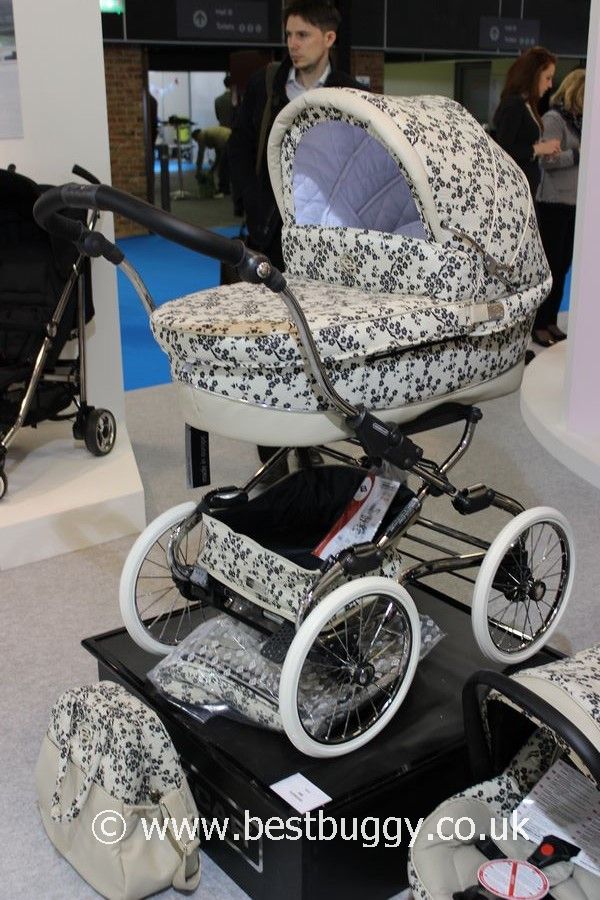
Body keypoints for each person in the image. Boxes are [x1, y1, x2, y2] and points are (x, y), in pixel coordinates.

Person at [228, 0, 360, 271]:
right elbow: (239, 146)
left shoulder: (350, 94)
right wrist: (251, 201)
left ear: (329, 38)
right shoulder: (264, 86)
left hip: (328, 235)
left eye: (303, 35)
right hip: (269, 230)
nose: (293, 44)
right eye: (289, 35)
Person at [533, 68, 585, 347]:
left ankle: (551, 320)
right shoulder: (554, 119)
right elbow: (546, 160)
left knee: (563, 265)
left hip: (574, 203)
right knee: (551, 266)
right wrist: (576, 155)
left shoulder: (581, 122)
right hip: (553, 202)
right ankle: (539, 323)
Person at [493, 47, 561, 198]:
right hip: (514, 190)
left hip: (525, 187)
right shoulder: (514, 104)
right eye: (547, 78)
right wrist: (539, 148)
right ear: (534, 75)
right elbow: (504, 150)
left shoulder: (526, 104)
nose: (550, 85)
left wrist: (543, 149)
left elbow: (521, 144)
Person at [191, 125, 232, 197]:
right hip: (231, 138)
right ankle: (227, 189)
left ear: (196, 137)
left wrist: (198, 170)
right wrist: (212, 169)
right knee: (226, 166)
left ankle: (224, 190)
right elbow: (218, 157)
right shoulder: (211, 136)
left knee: (222, 168)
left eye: (196, 141)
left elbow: (200, 154)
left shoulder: (201, 136)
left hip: (228, 140)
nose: (198, 142)